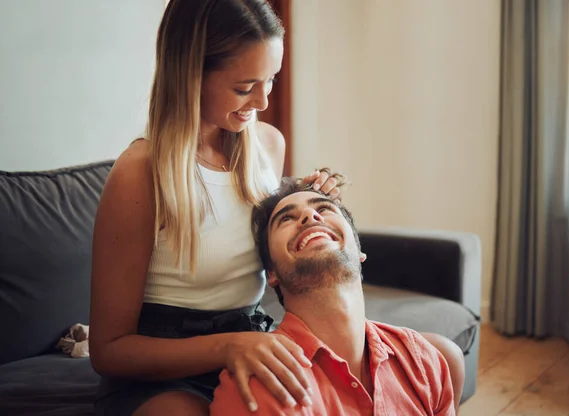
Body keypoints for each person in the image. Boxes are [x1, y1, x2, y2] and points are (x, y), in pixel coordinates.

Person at [89, 1, 462, 415]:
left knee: (442, 354)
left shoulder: (267, 144)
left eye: (271, 79)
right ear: (190, 74)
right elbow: (108, 351)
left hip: (255, 334)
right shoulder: (139, 173)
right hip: (165, 366)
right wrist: (230, 346)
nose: (264, 101)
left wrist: (305, 196)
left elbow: (243, 221)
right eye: (245, 86)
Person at [210, 178, 456, 415]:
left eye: (325, 208)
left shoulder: (423, 361)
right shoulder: (256, 389)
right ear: (271, 273)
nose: (310, 216)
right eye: (286, 219)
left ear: (359, 251)